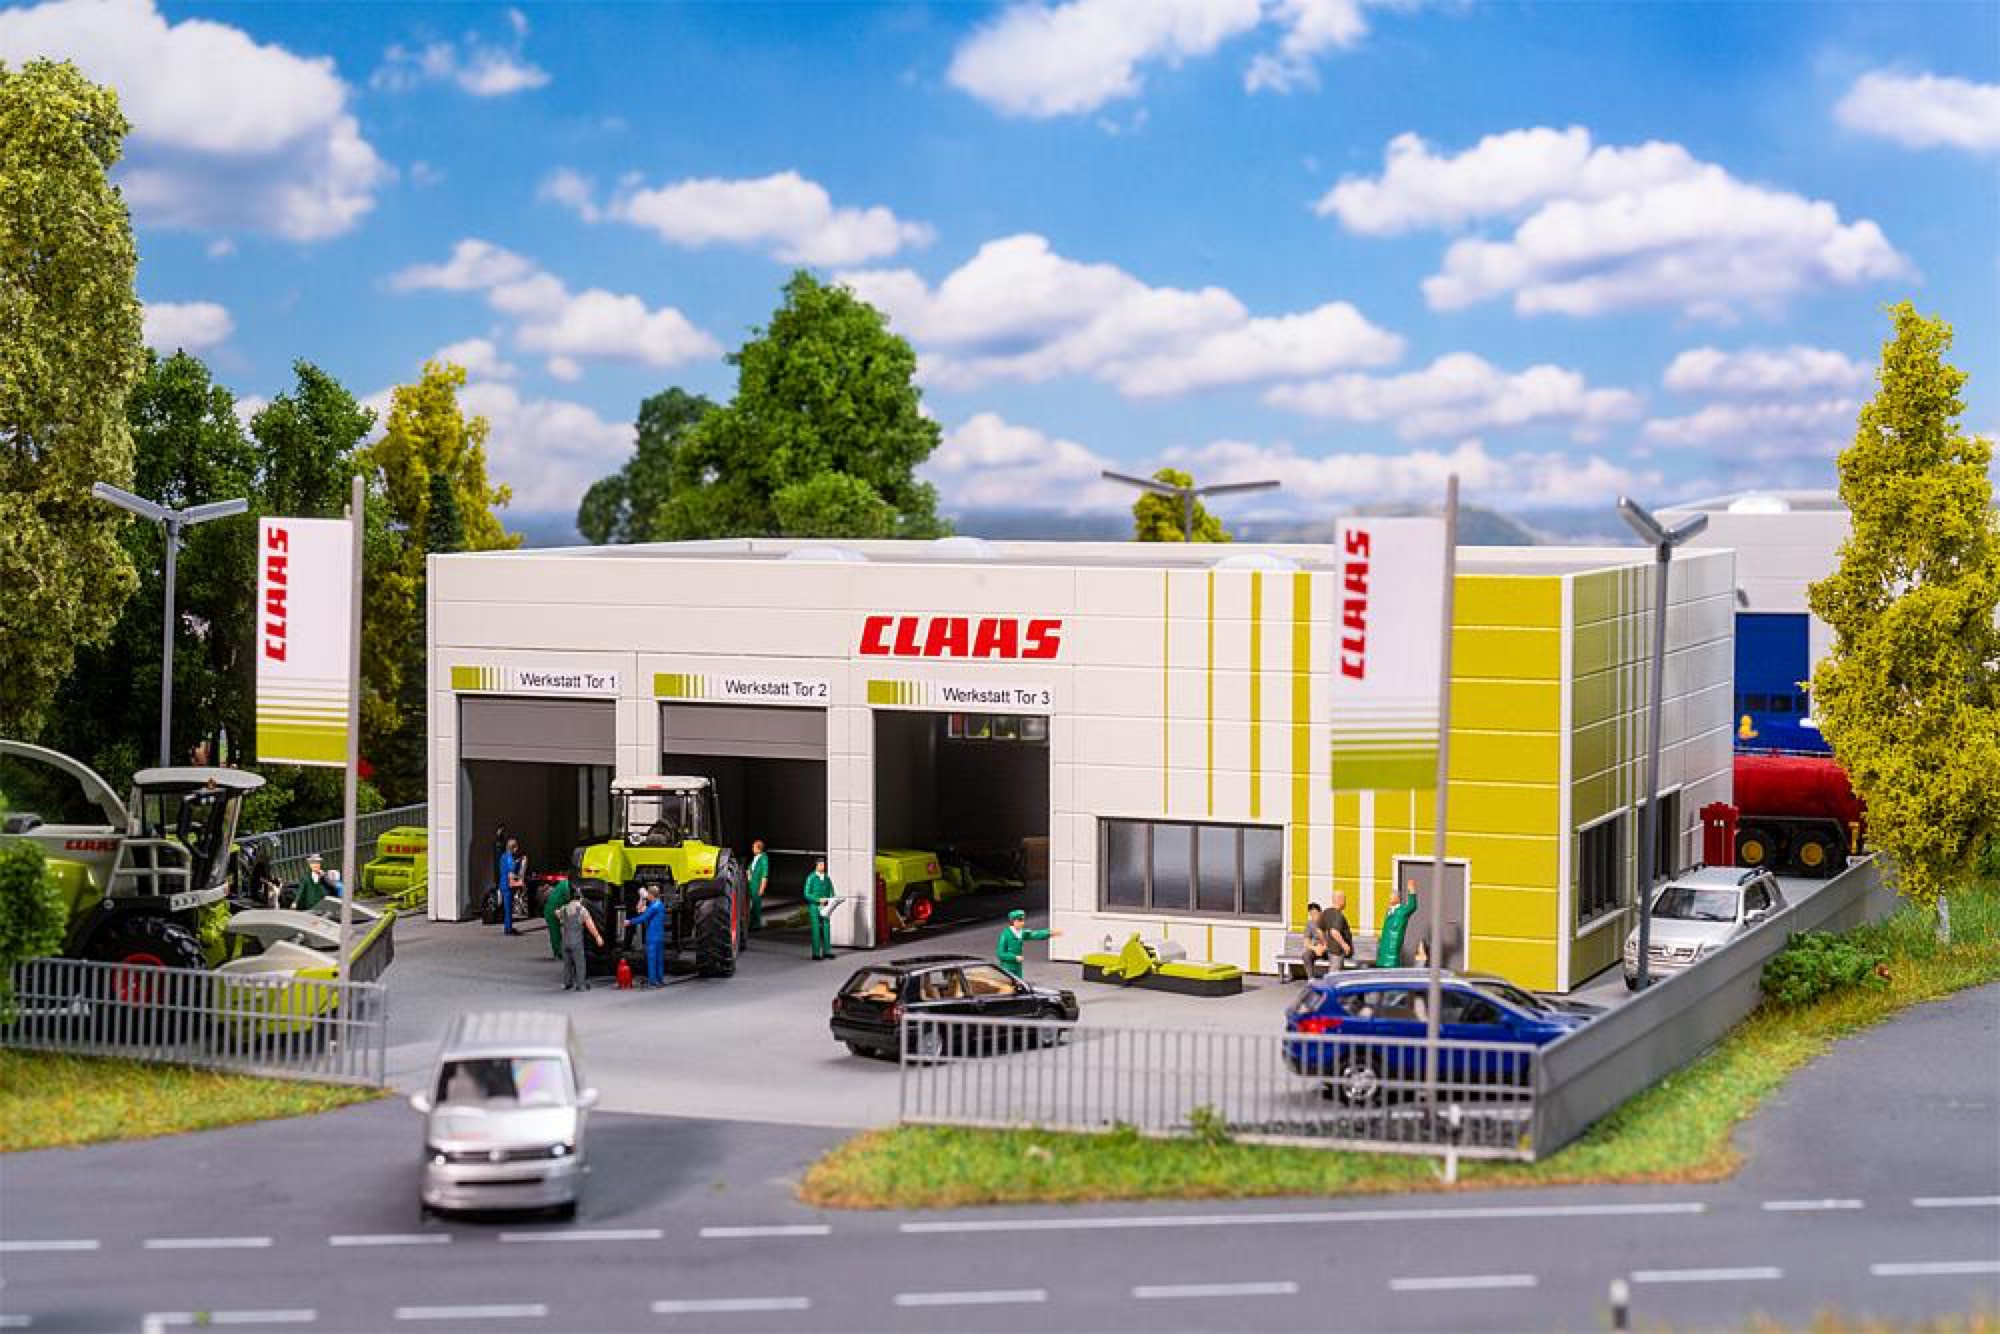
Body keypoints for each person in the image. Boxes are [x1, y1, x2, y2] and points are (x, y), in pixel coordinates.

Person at [556, 885, 603, 992]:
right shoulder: (582, 910)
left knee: (567, 964)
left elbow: (558, 915)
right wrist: (597, 937)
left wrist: (558, 913)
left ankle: (567, 983)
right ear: (580, 898)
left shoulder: (564, 909)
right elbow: (590, 925)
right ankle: (581, 985)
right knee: (580, 963)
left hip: (565, 941)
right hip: (576, 942)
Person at [996, 908, 1059, 982]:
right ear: (1013, 921)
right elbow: (1000, 953)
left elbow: (1034, 934)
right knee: (1008, 982)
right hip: (1007, 966)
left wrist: (1048, 933)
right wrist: (1014, 957)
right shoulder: (1006, 934)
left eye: (1023, 920)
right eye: (1020, 921)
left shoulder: (1021, 932)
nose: (1022, 923)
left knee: (1019, 982)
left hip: (1018, 966)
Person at [1376, 880, 1420, 967]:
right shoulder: (1389, 911)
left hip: (1392, 955)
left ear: (1398, 898)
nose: (1390, 898)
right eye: (1390, 896)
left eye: (1392, 896)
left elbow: (1412, 906)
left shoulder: (1402, 911)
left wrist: (1412, 890)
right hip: (1383, 953)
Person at [631, 886, 667, 986]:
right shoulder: (659, 905)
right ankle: (660, 980)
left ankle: (653, 981)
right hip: (659, 936)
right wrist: (642, 899)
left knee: (652, 959)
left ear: (651, 895)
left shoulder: (654, 906)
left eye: (648, 895)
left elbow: (643, 917)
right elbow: (640, 909)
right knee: (659, 959)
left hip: (652, 936)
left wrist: (630, 922)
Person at [802, 858, 834, 961]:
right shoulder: (811, 878)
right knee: (815, 929)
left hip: (826, 906)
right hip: (814, 906)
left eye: (824, 865)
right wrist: (818, 899)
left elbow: (831, 891)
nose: (823, 866)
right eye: (821, 865)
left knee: (826, 927)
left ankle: (827, 951)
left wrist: (830, 900)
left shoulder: (827, 878)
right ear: (817, 865)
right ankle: (816, 953)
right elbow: (807, 893)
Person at [1320, 892, 1355, 972]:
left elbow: (1319, 930)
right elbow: (1334, 931)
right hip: (1337, 951)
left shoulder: (1326, 912)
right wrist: (1344, 944)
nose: (1345, 902)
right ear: (1340, 900)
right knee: (1335, 973)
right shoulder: (1338, 915)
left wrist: (1324, 943)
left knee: (1335, 972)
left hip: (1331, 950)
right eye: (1344, 899)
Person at [541, 877, 572, 960]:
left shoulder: (565, 884)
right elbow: (570, 899)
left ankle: (560, 953)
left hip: (552, 908)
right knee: (555, 933)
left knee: (555, 933)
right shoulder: (566, 886)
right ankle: (559, 953)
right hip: (552, 910)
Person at [745, 838, 769, 934]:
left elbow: (764, 875)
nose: (752, 849)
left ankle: (756, 925)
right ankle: (751, 924)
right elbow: (749, 870)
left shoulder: (763, 858)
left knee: (756, 905)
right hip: (751, 884)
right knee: (751, 905)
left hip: (757, 885)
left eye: (753, 847)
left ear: (758, 848)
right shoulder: (755, 858)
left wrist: (762, 888)